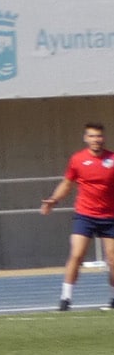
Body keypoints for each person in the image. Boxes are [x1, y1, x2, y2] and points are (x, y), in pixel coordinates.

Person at [40, 121, 114, 311]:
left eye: (99, 136)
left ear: (103, 138)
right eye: (92, 136)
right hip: (85, 215)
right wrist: (53, 200)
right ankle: (66, 298)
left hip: (109, 216)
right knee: (76, 254)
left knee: (113, 258)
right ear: (85, 138)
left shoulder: (112, 159)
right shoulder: (78, 159)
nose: (96, 139)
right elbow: (67, 184)